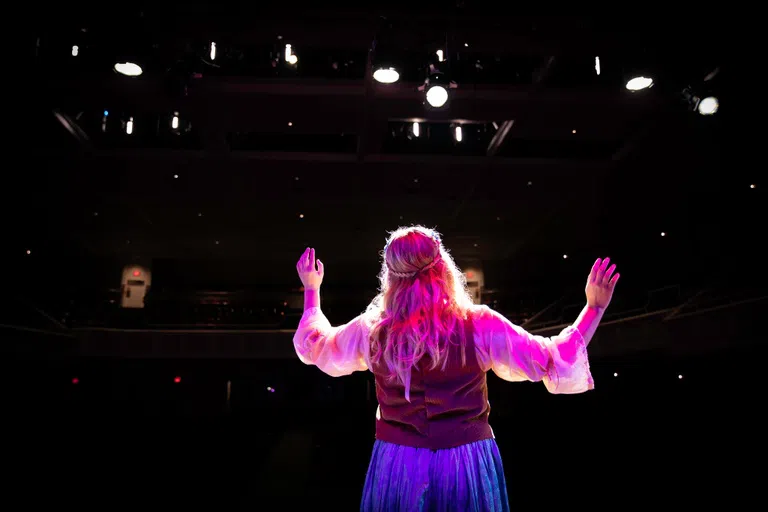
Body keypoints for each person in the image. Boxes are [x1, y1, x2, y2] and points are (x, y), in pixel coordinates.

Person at [293, 226, 619, 512]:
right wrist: (594, 308)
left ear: (390, 276)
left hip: (398, 464)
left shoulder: (373, 330)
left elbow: (317, 346)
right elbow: (552, 359)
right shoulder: (478, 325)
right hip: (465, 464)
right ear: (442, 268)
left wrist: (311, 290)